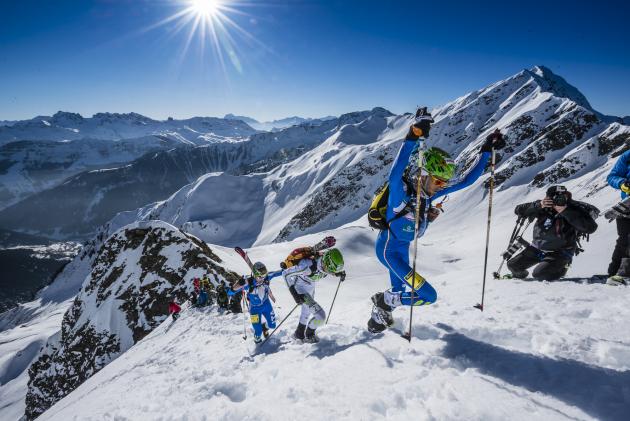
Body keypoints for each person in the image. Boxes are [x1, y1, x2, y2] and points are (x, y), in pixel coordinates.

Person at [368, 111, 505, 333]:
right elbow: (395, 172)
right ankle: (381, 303)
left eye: (444, 182)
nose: (443, 185)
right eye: (439, 180)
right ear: (423, 175)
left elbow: (467, 180)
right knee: (427, 296)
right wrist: (413, 135)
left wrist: (487, 151)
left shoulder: (429, 196)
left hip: (401, 250)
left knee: (399, 291)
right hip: (388, 251)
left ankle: (378, 317)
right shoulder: (400, 195)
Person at [506, 185, 598, 281]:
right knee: (513, 266)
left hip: (561, 252)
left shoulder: (574, 208)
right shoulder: (543, 206)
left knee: (540, 274)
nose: (558, 199)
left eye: (562, 196)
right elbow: (518, 210)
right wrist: (539, 205)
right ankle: (528, 274)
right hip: (537, 249)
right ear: (548, 198)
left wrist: (566, 211)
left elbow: (591, 228)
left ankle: (561, 268)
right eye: (554, 197)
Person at [283, 247, 346, 343]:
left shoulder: (324, 263)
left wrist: (337, 273)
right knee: (321, 317)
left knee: (306, 312)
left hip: (310, 288)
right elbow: (285, 274)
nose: (331, 272)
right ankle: (309, 334)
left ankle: (299, 334)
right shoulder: (307, 267)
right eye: (331, 270)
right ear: (326, 263)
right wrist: (295, 294)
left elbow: (322, 271)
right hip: (301, 291)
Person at [229, 262, 282, 343]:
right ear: (254, 275)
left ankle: (265, 327)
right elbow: (230, 292)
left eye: (264, 276)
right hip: (254, 309)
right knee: (258, 333)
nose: (263, 279)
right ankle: (257, 344)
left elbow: (279, 272)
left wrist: (288, 267)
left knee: (272, 325)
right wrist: (239, 284)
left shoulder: (266, 277)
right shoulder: (248, 283)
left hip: (266, 304)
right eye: (260, 277)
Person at [606, 150, 630, 286]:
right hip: (626, 206)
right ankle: (615, 272)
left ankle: (621, 273)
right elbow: (612, 176)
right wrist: (622, 184)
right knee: (624, 240)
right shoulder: (627, 156)